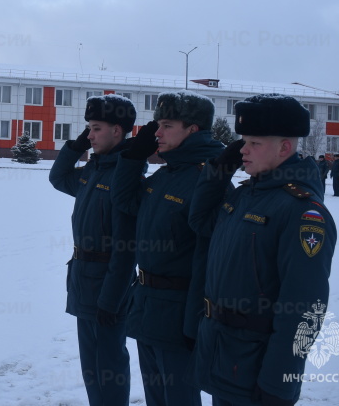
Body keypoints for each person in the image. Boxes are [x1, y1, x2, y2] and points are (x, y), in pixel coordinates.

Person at [188, 94, 337, 405]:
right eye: (243, 141)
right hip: (224, 357)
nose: (242, 150)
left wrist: (279, 383)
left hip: (257, 371)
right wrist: (219, 169)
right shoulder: (246, 195)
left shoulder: (302, 212)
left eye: (254, 143)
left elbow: (304, 309)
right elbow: (201, 221)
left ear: (284, 148)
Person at [111, 91, 223, 406]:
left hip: (178, 317)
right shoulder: (166, 174)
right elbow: (125, 201)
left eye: (167, 125)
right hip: (148, 308)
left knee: (179, 399)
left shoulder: (208, 180)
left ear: (193, 130)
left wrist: (193, 324)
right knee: (156, 399)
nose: (157, 133)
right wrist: (134, 158)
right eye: (158, 124)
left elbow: (207, 261)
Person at [49, 94, 137, 405]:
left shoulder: (124, 176)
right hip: (83, 281)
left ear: (118, 130)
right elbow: (58, 177)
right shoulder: (92, 171)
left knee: (109, 365)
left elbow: (126, 251)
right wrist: (77, 147)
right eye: (88, 128)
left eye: (96, 128)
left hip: (107, 288)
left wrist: (111, 300)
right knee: (91, 366)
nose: (90, 135)